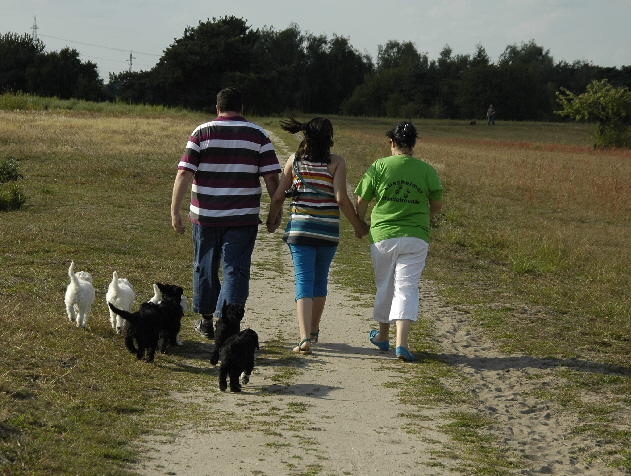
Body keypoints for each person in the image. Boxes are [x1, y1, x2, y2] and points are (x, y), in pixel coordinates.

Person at [171, 87, 281, 339]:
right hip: (243, 217)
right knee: (235, 269)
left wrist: (174, 210)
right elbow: (272, 178)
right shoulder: (258, 134)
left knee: (205, 266)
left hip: (205, 216)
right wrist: (276, 214)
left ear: (217, 108)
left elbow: (184, 173)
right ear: (242, 108)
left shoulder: (202, 132)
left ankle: (207, 321)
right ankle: (228, 324)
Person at [266, 117, 368, 353]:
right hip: (327, 232)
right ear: (329, 138)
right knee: (320, 281)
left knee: (303, 280)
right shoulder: (337, 163)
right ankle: (313, 330)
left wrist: (273, 219)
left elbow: (279, 196)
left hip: (300, 230)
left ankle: (303, 339)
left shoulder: (295, 161)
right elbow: (341, 199)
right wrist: (358, 226)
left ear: (306, 137)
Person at [354, 121, 443, 361]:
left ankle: (383, 337)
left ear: (392, 143)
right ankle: (401, 344)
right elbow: (436, 203)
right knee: (406, 287)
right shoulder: (426, 170)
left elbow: (362, 200)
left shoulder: (379, 166)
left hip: (383, 236)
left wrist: (360, 224)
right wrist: (424, 217)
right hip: (416, 237)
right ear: (413, 144)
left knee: (385, 285)